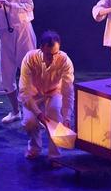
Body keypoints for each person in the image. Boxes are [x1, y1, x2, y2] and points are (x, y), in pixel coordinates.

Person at [19, 30, 74, 159]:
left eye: (55, 53)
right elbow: (25, 92)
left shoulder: (65, 61)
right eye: (48, 54)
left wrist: (67, 118)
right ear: (41, 48)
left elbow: (68, 92)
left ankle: (54, 154)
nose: (52, 58)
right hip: (34, 95)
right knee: (29, 122)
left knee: (55, 116)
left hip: (54, 93)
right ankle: (34, 147)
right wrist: (38, 113)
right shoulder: (30, 58)